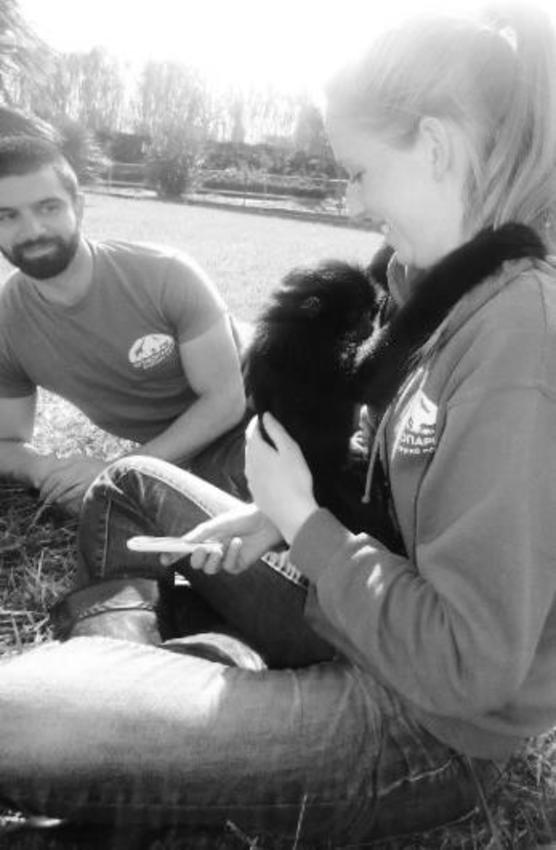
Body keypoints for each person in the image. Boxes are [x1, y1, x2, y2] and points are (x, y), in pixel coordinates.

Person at [2, 3, 556, 846]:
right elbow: (397, 512)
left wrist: (301, 519)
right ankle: (188, 686)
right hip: (356, 619)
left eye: (360, 171)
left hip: (425, 726)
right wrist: (276, 518)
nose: (351, 199)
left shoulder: (517, 338)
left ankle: (161, 721)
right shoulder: (435, 291)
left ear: (437, 147)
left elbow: (465, 666)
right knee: (128, 487)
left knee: (17, 719)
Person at [0, 136, 248, 514]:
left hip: (265, 401)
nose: (32, 231)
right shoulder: (7, 322)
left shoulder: (165, 274)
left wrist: (119, 471)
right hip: (185, 450)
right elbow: (6, 442)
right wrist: (46, 470)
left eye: (48, 207)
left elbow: (226, 400)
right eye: (7, 216)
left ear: (78, 207)